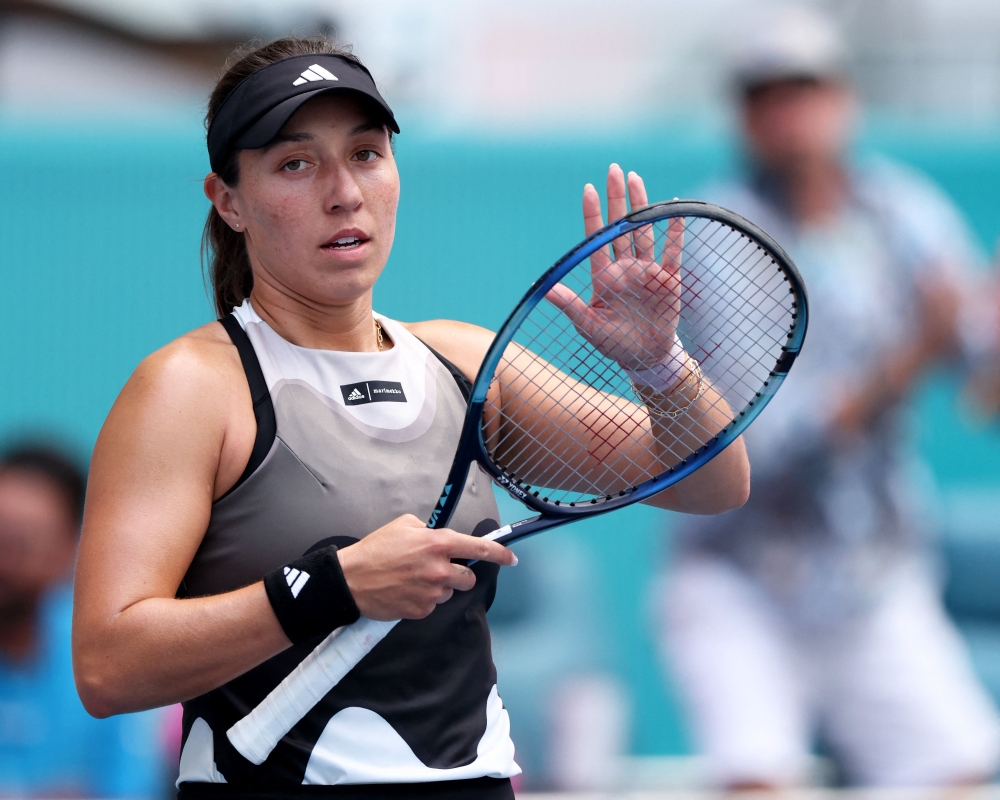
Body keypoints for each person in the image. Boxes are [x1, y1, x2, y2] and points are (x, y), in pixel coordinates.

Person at [71, 36, 749, 800]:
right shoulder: (189, 388)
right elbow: (106, 667)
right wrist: (332, 587)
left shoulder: (462, 364)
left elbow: (714, 482)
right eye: (296, 164)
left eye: (365, 154)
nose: (344, 192)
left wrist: (659, 366)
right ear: (228, 200)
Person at [657, 7, 1000, 789]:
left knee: (960, 778)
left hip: (873, 572)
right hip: (740, 575)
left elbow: (983, 381)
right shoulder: (718, 233)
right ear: (743, 114)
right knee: (758, 783)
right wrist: (910, 358)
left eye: (805, 88)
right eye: (767, 94)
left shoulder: (903, 211)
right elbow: (761, 444)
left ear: (843, 99)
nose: (789, 112)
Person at [0, 442, 163, 797]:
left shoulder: (103, 662)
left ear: (71, 550)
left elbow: (133, 787)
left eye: (18, 544)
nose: (3, 563)